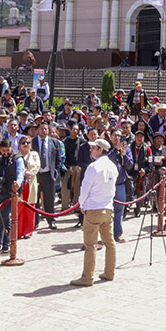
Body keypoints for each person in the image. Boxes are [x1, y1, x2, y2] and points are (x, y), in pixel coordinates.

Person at [71, 137, 117, 287]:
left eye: (93, 147)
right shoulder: (112, 166)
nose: (90, 150)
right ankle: (109, 272)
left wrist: (82, 203)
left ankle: (87, 277)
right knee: (109, 242)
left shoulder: (93, 167)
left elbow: (85, 188)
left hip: (93, 208)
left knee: (90, 244)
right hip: (107, 208)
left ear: (100, 150)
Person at [0, 138, 24, 259]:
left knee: (0, 221)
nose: (5, 153)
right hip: (0, 193)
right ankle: (5, 248)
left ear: (11, 147)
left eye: (7, 150)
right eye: (3, 150)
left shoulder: (18, 158)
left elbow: (20, 172)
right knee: (5, 221)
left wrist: (18, 183)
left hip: (12, 194)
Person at [31, 123, 61, 230]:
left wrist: (55, 172)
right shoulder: (32, 142)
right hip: (36, 175)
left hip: (49, 175)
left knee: (49, 200)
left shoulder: (54, 142)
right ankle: (34, 222)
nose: (44, 131)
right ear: (37, 130)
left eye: (46, 129)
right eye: (42, 129)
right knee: (35, 200)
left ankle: (51, 220)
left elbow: (58, 159)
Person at [107, 129, 133, 242]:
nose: (117, 138)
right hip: (107, 185)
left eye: (119, 136)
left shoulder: (126, 149)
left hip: (120, 184)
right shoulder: (106, 148)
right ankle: (106, 236)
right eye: (115, 136)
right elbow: (105, 160)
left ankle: (118, 234)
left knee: (119, 211)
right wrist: (115, 150)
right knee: (106, 211)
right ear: (111, 136)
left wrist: (124, 155)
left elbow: (130, 166)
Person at [16, 136, 40, 240]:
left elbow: (37, 166)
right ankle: (18, 231)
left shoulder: (34, 154)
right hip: (20, 183)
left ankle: (28, 231)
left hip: (31, 182)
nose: (26, 144)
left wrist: (30, 173)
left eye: (28, 142)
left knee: (30, 207)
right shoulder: (16, 154)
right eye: (23, 142)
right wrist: (23, 173)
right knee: (19, 207)